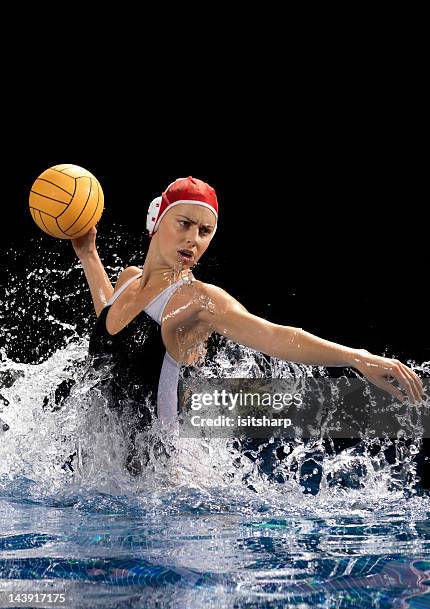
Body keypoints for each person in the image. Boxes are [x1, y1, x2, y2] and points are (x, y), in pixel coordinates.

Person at [71, 176, 423, 474]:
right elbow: (112, 326)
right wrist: (89, 254)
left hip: (162, 486)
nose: (194, 238)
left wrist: (356, 357)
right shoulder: (128, 282)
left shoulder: (198, 301)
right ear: (156, 221)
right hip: (110, 479)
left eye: (205, 231)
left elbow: (275, 335)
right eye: (184, 224)